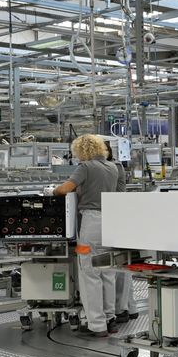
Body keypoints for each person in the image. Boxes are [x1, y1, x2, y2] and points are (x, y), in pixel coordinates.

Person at [49, 134, 119, 337]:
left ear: (81, 151)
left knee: (89, 273)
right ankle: (110, 319)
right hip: (111, 223)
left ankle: (96, 325)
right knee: (108, 272)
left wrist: (52, 191)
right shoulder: (112, 167)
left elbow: (65, 189)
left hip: (91, 223)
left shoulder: (86, 167)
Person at [105, 143, 138, 324]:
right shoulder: (116, 166)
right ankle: (129, 307)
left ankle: (121, 308)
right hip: (118, 216)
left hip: (116, 217)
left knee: (120, 268)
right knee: (123, 266)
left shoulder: (113, 167)